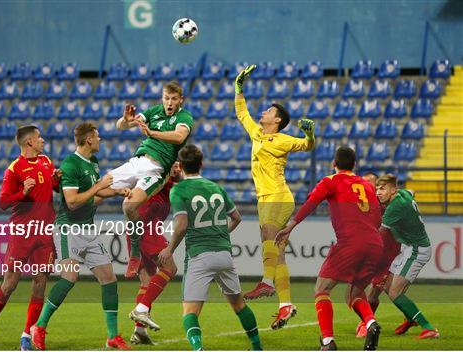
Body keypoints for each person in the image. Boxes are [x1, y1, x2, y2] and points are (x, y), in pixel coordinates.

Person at [30, 122, 131, 350]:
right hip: (68, 229)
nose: (100, 140)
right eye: (97, 136)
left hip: (88, 229)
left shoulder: (92, 163)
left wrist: (115, 191)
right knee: (69, 277)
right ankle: (40, 327)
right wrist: (100, 187)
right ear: (88, 140)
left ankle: (112, 336)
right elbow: (73, 202)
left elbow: (94, 193)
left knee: (109, 279)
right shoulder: (70, 164)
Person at [275, 146, 383, 351]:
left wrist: (291, 226)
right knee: (355, 293)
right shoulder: (367, 186)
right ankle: (371, 323)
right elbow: (377, 217)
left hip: (350, 242)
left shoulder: (330, 181)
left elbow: (311, 202)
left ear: (334, 164)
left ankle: (327, 342)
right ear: (355, 165)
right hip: (374, 243)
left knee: (321, 289)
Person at [234, 64, 316, 329]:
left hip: (279, 197)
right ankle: (285, 305)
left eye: (268, 111)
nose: (264, 112)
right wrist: (239, 88)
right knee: (276, 252)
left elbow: (306, 145)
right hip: (264, 199)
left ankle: (266, 284)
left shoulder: (283, 139)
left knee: (269, 236)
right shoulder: (257, 134)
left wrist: (309, 133)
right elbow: (241, 112)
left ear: (277, 120)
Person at [158, 145, 263, 351]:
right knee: (239, 305)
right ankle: (257, 347)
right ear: (202, 164)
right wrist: (220, 234)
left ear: (179, 166)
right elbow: (236, 218)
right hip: (224, 255)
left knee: (189, 312)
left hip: (199, 255)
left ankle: (199, 349)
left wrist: (169, 249)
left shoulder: (179, 189)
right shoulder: (216, 187)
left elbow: (181, 224)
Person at [0, 125, 61, 351]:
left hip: (44, 233)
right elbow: (4, 202)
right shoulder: (14, 169)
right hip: (22, 233)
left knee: (40, 282)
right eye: (39, 138)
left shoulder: (46, 161)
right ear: (29, 143)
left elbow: (52, 187)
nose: (43, 140)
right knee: (10, 284)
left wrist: (57, 180)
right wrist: (22, 193)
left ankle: (27, 335)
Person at [111, 81, 194, 278]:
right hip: (138, 174)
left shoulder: (184, 117)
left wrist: (152, 133)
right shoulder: (154, 112)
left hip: (153, 184)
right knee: (98, 189)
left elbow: (179, 136)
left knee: (128, 207)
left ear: (180, 100)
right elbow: (122, 125)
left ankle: (135, 255)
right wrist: (125, 120)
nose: (170, 102)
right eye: (167, 98)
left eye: (174, 99)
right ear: (162, 98)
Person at [375, 174, 440, 339]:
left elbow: (379, 236)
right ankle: (411, 319)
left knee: (395, 292)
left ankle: (429, 328)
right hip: (409, 247)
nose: (378, 192)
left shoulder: (393, 208)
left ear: (393, 190)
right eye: (377, 188)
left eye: (382, 189)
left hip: (416, 250)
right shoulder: (404, 194)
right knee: (388, 288)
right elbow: (412, 190)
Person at [127, 162, 181, 344]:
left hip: (136, 226)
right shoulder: (157, 175)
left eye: (179, 166)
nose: (177, 169)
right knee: (170, 268)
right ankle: (141, 309)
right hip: (147, 224)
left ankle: (139, 332)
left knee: (147, 280)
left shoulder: (168, 181)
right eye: (174, 165)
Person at [355, 172, 401, 338]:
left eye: (371, 183)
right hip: (371, 253)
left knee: (374, 291)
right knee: (366, 290)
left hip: (388, 255)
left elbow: (408, 193)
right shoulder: (363, 204)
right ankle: (412, 318)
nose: (367, 185)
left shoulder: (389, 203)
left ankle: (366, 323)